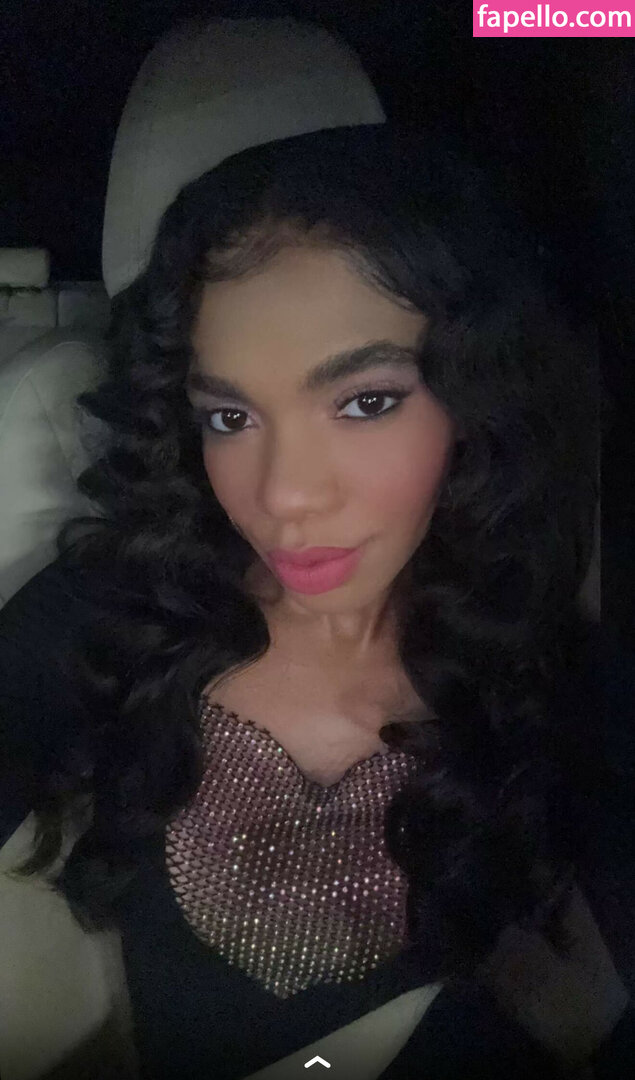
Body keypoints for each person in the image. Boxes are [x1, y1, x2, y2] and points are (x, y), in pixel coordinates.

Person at [1, 123, 633, 1080]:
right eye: (229, 416)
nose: (285, 494)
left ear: (475, 397)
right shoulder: (110, 616)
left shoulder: (568, 697)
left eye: (365, 401)